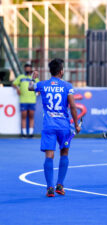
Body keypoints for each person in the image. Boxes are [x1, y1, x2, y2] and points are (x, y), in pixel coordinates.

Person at [28, 58, 81, 197]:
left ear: (50, 71)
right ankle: (60, 185)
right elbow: (73, 107)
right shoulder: (67, 86)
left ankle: (50, 188)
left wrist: (32, 78)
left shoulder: (43, 84)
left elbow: (30, 87)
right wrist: (76, 124)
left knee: (49, 156)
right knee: (64, 153)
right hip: (64, 126)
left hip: (49, 126)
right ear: (61, 71)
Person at [13, 63, 39, 137]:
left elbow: (38, 87)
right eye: (26, 68)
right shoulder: (20, 77)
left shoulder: (34, 78)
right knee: (23, 117)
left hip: (32, 100)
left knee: (31, 117)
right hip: (23, 100)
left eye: (29, 68)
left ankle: (31, 133)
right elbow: (14, 84)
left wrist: (38, 91)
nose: (27, 69)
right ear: (24, 69)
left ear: (31, 69)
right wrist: (17, 89)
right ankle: (24, 133)